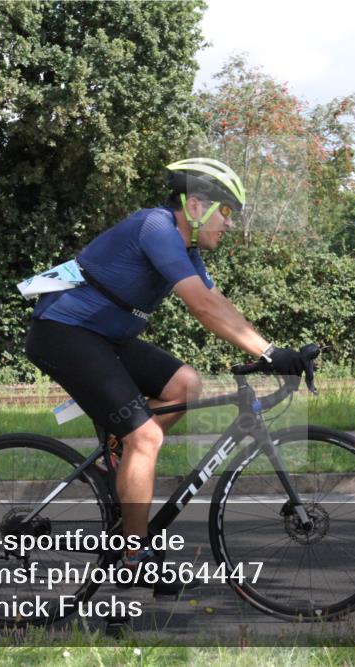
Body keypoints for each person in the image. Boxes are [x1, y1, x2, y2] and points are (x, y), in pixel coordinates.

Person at [24, 158, 310, 591]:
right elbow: (201, 307)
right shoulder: (155, 228)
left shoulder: (187, 247)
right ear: (195, 205)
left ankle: (115, 463)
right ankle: (134, 555)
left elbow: (218, 301)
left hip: (106, 338)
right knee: (147, 437)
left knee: (186, 385)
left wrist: (272, 350)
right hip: (65, 332)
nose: (229, 225)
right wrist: (269, 353)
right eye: (227, 212)